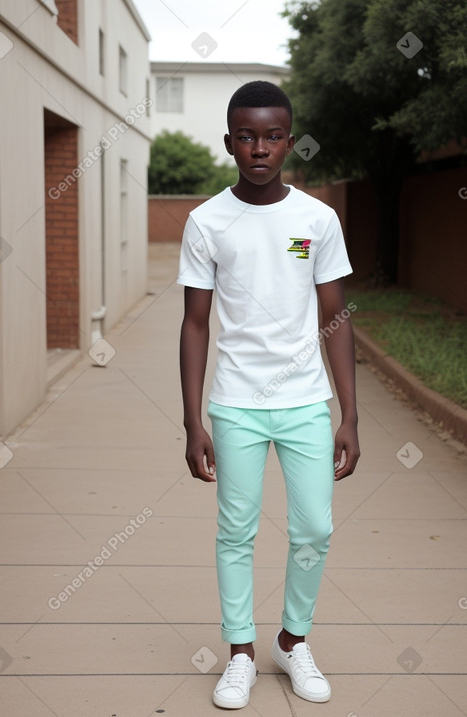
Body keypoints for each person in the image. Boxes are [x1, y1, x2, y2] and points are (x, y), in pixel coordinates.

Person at [178, 80, 360, 709]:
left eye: (273, 135)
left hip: (306, 402)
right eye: (247, 136)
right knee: (237, 531)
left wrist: (349, 414)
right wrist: (192, 421)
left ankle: (292, 638)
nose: (260, 147)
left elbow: (334, 318)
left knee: (314, 527)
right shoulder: (206, 221)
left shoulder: (316, 219)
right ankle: (239, 653)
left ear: (289, 140)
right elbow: (196, 323)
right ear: (229, 142)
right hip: (234, 404)